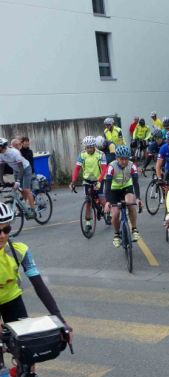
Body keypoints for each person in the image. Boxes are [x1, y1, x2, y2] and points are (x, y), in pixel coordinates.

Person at [0, 202, 72, 333]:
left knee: (23, 341)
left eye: (6, 230)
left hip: (11, 298)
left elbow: (39, 286)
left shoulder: (19, 251)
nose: (2, 236)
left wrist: (60, 319)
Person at [103, 145, 142, 247]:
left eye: (126, 159)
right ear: (117, 158)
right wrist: (107, 201)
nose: (124, 161)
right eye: (121, 159)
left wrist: (138, 198)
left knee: (131, 203)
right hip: (114, 190)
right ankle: (116, 235)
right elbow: (107, 185)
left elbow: (135, 183)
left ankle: (134, 229)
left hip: (126, 187)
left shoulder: (132, 166)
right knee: (115, 213)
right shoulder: (111, 167)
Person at [69, 136, 107, 232]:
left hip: (99, 179)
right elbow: (77, 169)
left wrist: (99, 181)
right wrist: (73, 181)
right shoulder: (82, 155)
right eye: (87, 147)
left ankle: (108, 212)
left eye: (90, 147)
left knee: (102, 199)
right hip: (87, 180)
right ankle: (88, 223)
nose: (88, 149)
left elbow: (104, 170)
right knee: (88, 201)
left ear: (94, 146)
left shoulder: (101, 154)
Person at [0, 138, 36, 218]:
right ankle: (25, 207)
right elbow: (1, 169)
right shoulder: (1, 154)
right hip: (16, 170)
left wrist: (18, 181)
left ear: (2, 146)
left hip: (25, 168)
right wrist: (1, 181)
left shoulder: (14, 153)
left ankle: (33, 210)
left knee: (26, 189)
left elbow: (21, 169)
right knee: (20, 189)